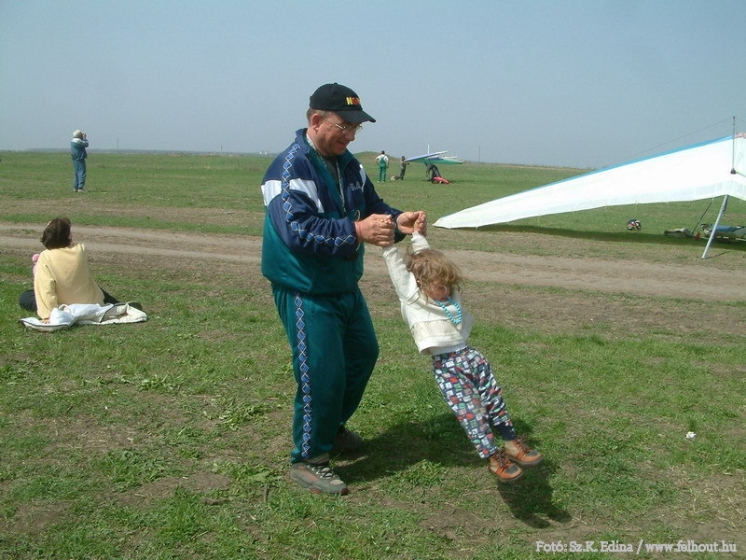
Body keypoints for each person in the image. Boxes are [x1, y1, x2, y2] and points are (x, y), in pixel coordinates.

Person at [260, 83, 427, 495]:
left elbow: (372, 207)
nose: (351, 136)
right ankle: (309, 458)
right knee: (322, 373)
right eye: (344, 126)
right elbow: (296, 231)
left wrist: (397, 220)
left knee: (362, 354)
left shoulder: (350, 165)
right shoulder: (288, 169)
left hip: (343, 283)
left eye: (356, 128)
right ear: (316, 120)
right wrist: (356, 230)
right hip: (305, 288)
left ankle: (330, 428)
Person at [382, 231, 542, 483]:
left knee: (494, 400)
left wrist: (417, 234)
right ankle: (493, 457)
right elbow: (401, 274)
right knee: (472, 412)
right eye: (440, 286)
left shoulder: (448, 296)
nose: (446, 290)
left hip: (472, 357)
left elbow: (428, 260)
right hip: (448, 368)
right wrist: (388, 246)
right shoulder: (414, 299)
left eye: (449, 284)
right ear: (420, 283)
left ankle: (512, 442)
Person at [18, 218, 125, 322]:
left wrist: (48, 315)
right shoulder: (80, 250)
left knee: (26, 296)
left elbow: (46, 288)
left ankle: (60, 310)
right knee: (95, 288)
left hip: (63, 303)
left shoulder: (45, 257)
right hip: (89, 301)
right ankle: (117, 303)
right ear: (68, 235)